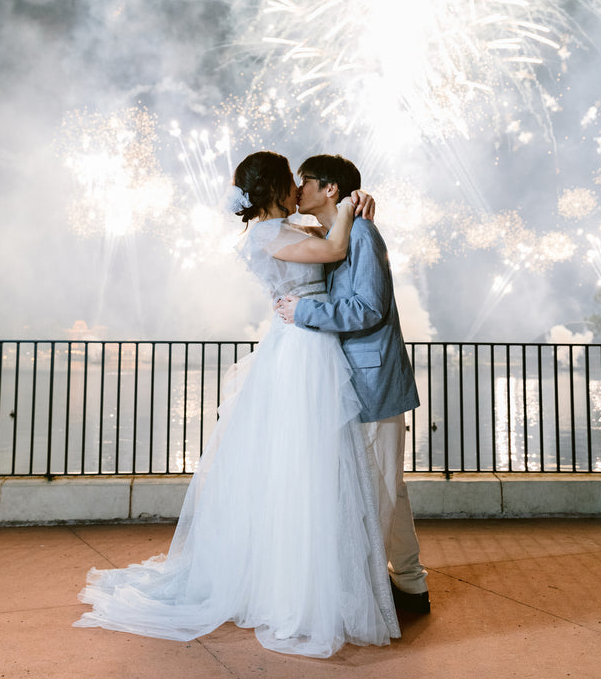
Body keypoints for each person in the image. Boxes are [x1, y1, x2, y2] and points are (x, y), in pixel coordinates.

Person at [75, 150, 399, 658]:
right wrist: (350, 212)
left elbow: (330, 238)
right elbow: (336, 248)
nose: (297, 188)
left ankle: (295, 575)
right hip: (303, 349)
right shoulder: (271, 236)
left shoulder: (282, 232)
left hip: (302, 344)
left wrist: (353, 206)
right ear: (274, 187)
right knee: (307, 467)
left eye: (304, 180)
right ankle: (300, 587)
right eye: (292, 181)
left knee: (300, 468)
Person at [277, 154, 430, 614]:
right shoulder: (335, 234)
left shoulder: (361, 233)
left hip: (373, 381)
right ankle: (410, 583)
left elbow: (369, 308)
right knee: (389, 487)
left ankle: (371, 596)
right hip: (356, 379)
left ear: (330, 190)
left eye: (305, 181)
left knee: (377, 489)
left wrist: (303, 313)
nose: (297, 189)